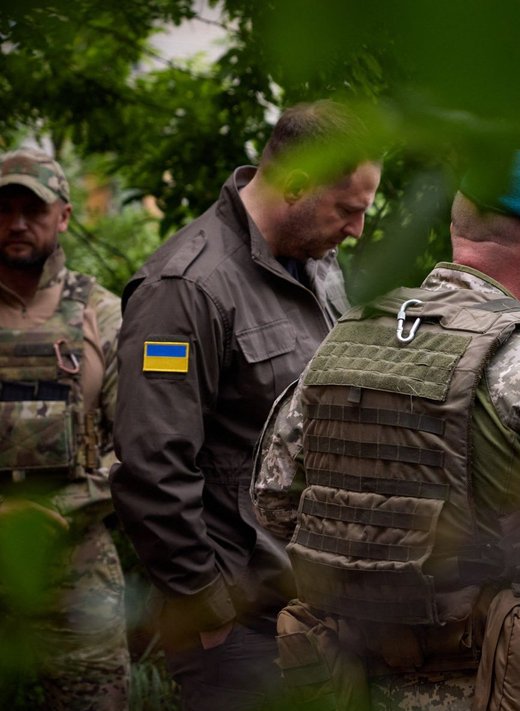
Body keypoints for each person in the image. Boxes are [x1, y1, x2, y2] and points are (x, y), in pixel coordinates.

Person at [252, 149, 520, 710]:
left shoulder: (345, 343)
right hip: (485, 682)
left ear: (458, 234)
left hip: (350, 679)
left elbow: (273, 500)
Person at [110, 100, 381, 710]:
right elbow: (151, 466)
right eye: (349, 210)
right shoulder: (185, 290)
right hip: (242, 627)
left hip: (322, 609)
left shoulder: (319, 265)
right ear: (296, 186)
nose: (357, 230)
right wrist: (210, 610)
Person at [0, 148, 129, 709]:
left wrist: (67, 506)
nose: (16, 223)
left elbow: (140, 446)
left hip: (76, 568)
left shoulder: (104, 313)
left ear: (65, 216)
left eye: (33, 209)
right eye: (3, 209)